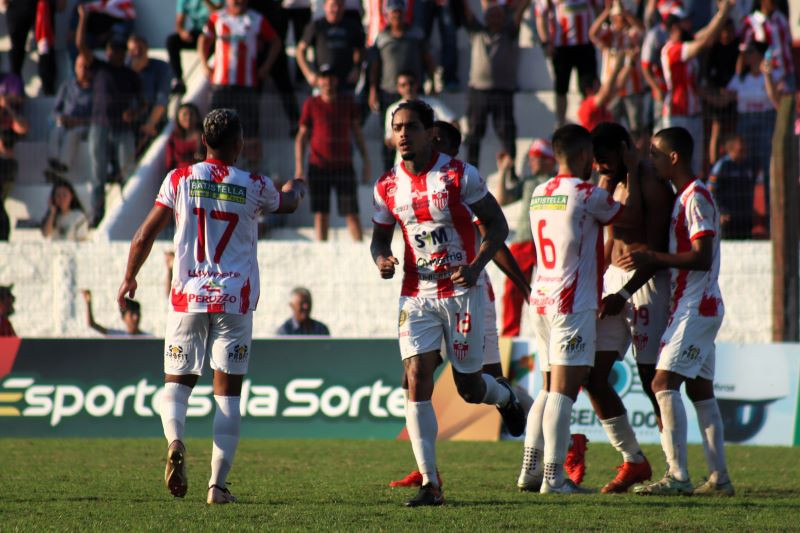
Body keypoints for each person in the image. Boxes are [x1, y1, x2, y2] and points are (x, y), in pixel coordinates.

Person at [117, 108, 307, 504]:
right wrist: (298, 186)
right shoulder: (254, 183)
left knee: (176, 384)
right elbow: (288, 203)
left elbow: (142, 235)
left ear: (203, 141)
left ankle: (175, 441)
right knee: (228, 396)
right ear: (239, 143)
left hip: (188, 296)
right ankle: (217, 487)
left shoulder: (180, 178)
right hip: (233, 300)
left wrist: (129, 277)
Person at [371, 100, 526, 506]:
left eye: (410, 127)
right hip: (417, 292)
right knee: (415, 376)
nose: (402, 134)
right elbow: (379, 239)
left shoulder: (459, 175)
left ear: (429, 133)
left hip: (461, 292)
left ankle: (505, 397)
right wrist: (381, 258)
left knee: (470, 389)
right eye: (397, 127)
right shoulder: (386, 186)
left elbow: (498, 226)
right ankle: (430, 482)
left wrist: (474, 268)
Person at [517, 124, 642, 495]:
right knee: (563, 391)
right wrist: (632, 170)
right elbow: (631, 216)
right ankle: (554, 478)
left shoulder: (540, 192)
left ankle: (530, 470)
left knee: (546, 387)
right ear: (586, 155)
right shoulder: (588, 194)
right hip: (571, 303)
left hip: (540, 298)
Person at [609, 126, 733, 497]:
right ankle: (719, 479)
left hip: (697, 306)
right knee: (701, 393)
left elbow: (702, 256)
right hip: (693, 304)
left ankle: (678, 476)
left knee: (662, 384)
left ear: (674, 157)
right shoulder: (684, 197)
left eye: (656, 154)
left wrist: (654, 257)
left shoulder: (695, 197)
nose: (652, 161)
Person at [587, 122, 675, 493]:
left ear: (625, 150)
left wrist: (624, 293)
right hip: (613, 284)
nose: (600, 167)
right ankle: (634, 460)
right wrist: (598, 284)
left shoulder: (651, 183)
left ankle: (675, 470)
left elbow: (654, 252)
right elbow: (610, 237)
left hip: (645, 287)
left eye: (605, 159)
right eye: (596, 161)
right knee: (592, 375)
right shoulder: (610, 182)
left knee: (652, 381)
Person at [76, 4, 144, 226]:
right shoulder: (99, 68)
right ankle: (97, 216)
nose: (114, 53)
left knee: (128, 174)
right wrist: (83, 19)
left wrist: (134, 113)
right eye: (111, 49)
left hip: (123, 129)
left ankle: (129, 216)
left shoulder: (131, 75)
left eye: (118, 50)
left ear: (124, 53)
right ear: (107, 52)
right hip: (100, 127)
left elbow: (143, 104)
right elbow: (80, 45)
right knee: (98, 175)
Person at [198, 0, 282, 171]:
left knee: (250, 130)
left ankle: (252, 170)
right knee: (213, 128)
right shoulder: (217, 17)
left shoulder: (256, 19)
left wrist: (266, 67)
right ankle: (210, 171)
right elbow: (203, 39)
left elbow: (275, 42)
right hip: (221, 84)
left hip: (247, 84)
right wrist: (204, 64)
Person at [295, 66, 370, 242]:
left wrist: (366, 161)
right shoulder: (311, 104)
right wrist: (299, 168)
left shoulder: (347, 102)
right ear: (318, 81)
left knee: (352, 213)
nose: (327, 82)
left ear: (336, 80)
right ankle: (322, 250)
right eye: (323, 77)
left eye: (330, 77)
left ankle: (359, 250)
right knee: (321, 213)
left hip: (344, 165)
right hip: (318, 165)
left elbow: (357, 133)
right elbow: (301, 137)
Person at [660, 0, 735, 175]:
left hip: (694, 114)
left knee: (695, 164)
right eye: (684, 22)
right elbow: (705, 41)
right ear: (675, 27)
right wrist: (722, 14)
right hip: (677, 115)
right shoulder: (672, 49)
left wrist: (723, 12)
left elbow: (707, 34)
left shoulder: (686, 44)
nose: (689, 24)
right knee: (678, 166)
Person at [495, 139, 554, 337]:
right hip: (523, 240)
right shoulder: (527, 182)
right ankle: (510, 333)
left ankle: (552, 330)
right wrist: (503, 171)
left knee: (550, 288)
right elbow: (503, 199)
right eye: (531, 158)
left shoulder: (557, 180)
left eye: (536, 158)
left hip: (548, 242)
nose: (532, 162)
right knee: (513, 288)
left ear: (549, 160)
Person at [462, 0, 531, 169]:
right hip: (478, 91)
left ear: (504, 19)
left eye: (498, 15)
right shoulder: (477, 31)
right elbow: (467, 12)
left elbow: (519, 14)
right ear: (485, 18)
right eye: (491, 15)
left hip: (503, 91)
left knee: (507, 132)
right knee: (474, 132)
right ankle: (470, 170)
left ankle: (510, 170)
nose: (495, 18)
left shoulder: (509, 32)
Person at [368, 0, 435, 171]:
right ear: (387, 16)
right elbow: (374, 66)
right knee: (391, 136)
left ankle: (418, 169)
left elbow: (427, 58)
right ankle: (389, 174)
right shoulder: (381, 37)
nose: (396, 16)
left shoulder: (416, 33)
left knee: (415, 131)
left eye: (399, 12)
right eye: (393, 13)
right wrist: (373, 90)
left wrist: (433, 80)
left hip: (413, 90)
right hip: (389, 93)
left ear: (404, 13)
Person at [536, 0, 601, 127]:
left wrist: (599, 33)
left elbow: (600, 9)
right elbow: (540, 14)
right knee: (561, 87)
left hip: (585, 45)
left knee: (588, 87)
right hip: (561, 47)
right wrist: (545, 42)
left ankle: (588, 123)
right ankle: (560, 123)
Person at [589, 2, 647, 142]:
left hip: (632, 89)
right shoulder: (609, 33)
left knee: (635, 128)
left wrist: (625, 12)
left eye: (622, 16)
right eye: (618, 16)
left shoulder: (632, 33)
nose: (621, 19)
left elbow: (642, 30)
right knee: (610, 128)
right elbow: (592, 34)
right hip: (611, 92)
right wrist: (606, 12)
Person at [385, 72, 458, 164]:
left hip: (435, 163)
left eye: (411, 83)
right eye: (403, 85)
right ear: (398, 88)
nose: (408, 87)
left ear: (417, 84)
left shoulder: (433, 103)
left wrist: (435, 139)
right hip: (404, 164)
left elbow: (454, 124)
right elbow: (388, 140)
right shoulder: (392, 109)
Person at [296, 0, 366, 94]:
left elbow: (361, 50)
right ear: (325, 6)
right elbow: (300, 50)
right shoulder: (316, 26)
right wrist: (308, 74)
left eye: (340, 5)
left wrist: (356, 69)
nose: (336, 9)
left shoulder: (352, 26)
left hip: (346, 84)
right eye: (333, 5)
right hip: (323, 84)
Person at [46, 55, 94, 181]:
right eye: (80, 66)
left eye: (87, 67)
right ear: (75, 68)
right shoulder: (67, 86)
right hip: (65, 122)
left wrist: (79, 121)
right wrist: (62, 118)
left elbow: (98, 116)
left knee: (72, 134)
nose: (83, 70)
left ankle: (63, 167)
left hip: (84, 125)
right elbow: (55, 110)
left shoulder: (96, 90)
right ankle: (53, 162)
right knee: (56, 131)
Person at [5, 0, 63, 95]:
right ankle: (14, 90)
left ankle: (48, 89)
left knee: (44, 48)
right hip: (18, 5)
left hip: (42, 5)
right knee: (16, 50)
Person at [127, 35, 173, 152]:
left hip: (154, 120)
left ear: (147, 48)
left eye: (140, 48)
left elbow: (162, 99)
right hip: (129, 122)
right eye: (132, 50)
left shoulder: (161, 67)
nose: (137, 52)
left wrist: (150, 124)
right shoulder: (124, 68)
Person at [740, 0, 795, 92]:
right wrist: (740, 77)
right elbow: (743, 52)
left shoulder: (781, 18)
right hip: (765, 77)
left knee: (788, 101)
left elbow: (789, 45)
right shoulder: (752, 22)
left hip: (787, 74)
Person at [708, 134, 755, 239]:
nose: (744, 153)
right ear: (731, 150)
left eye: (745, 150)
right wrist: (719, 213)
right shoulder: (722, 166)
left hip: (744, 217)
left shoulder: (748, 165)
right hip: (727, 218)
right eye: (741, 150)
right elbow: (710, 191)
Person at [166, 0, 213, 94]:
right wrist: (182, 32)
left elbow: (219, 14)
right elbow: (179, 24)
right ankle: (178, 79)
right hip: (198, 32)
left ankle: (210, 76)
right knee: (172, 40)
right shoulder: (184, 1)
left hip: (214, 33)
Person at [83, 290, 147, 335]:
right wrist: (88, 303)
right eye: (131, 314)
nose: (136, 317)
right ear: (123, 318)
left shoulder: (148, 338)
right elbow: (91, 324)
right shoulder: (118, 336)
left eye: (138, 314)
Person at [166, 103, 205, 171]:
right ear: (178, 117)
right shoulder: (174, 138)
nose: (188, 118)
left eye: (191, 114)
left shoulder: (204, 137)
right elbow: (169, 164)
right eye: (185, 114)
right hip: (178, 174)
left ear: (197, 117)